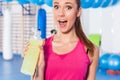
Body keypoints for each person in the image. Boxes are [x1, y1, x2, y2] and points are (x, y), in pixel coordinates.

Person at [24, 0, 99, 80]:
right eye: (56, 7)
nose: (61, 13)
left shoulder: (91, 50)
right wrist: (39, 67)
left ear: (78, 12)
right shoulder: (41, 46)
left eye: (68, 7)